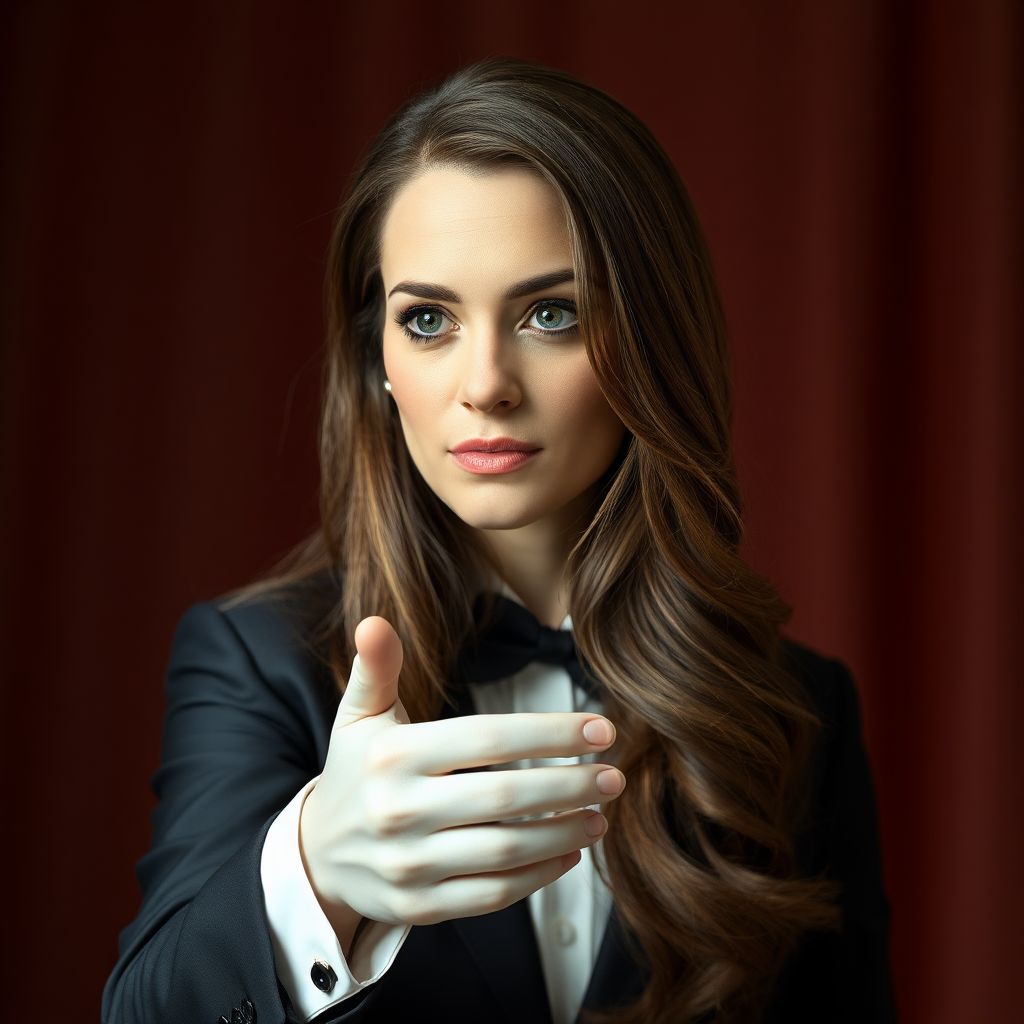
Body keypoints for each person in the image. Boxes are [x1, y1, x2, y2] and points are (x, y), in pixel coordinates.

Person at [102, 60, 895, 1024]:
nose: (486, 383)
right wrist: (312, 871)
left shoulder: (797, 707)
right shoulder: (257, 662)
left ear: (650, 342)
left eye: (550, 313)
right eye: (428, 320)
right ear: (378, 361)